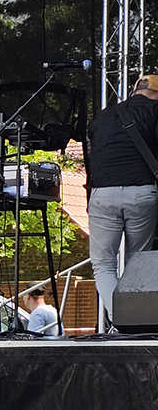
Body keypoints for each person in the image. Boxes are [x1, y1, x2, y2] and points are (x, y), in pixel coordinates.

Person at [86, 74, 158, 324]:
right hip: (142, 191)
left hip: (102, 193)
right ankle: (137, 319)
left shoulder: (106, 115)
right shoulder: (155, 110)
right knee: (139, 261)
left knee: (103, 264)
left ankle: (120, 319)